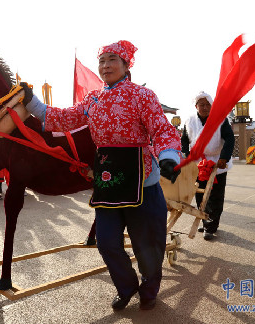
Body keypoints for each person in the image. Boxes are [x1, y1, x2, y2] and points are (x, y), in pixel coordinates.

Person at [22, 40, 181, 311]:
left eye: (112, 60)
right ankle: (127, 286)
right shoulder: (93, 98)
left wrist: (168, 156)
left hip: (143, 179)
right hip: (108, 181)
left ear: (126, 64)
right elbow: (63, 118)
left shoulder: (142, 95)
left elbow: (161, 129)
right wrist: (31, 102)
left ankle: (149, 290)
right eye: (102, 60)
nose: (105, 65)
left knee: (148, 244)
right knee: (107, 242)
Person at [181, 91, 235, 240]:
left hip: (217, 163)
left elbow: (230, 139)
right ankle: (205, 220)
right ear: (196, 106)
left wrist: (224, 157)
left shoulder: (220, 120)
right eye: (202, 105)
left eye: (208, 105)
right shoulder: (190, 121)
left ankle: (211, 226)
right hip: (198, 163)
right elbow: (184, 141)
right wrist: (187, 155)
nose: (205, 108)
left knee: (215, 196)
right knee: (200, 194)